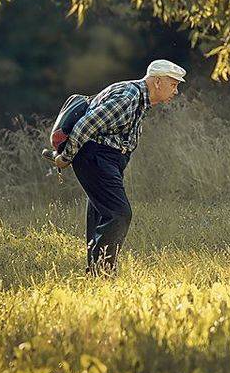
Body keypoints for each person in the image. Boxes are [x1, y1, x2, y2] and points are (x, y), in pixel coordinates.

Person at [51, 59, 186, 273]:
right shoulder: (129, 97)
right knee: (119, 213)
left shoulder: (139, 98)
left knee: (103, 213)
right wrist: (65, 157)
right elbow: (86, 125)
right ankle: (102, 272)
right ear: (158, 82)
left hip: (106, 159)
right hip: (96, 157)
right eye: (173, 84)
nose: (176, 91)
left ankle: (97, 272)